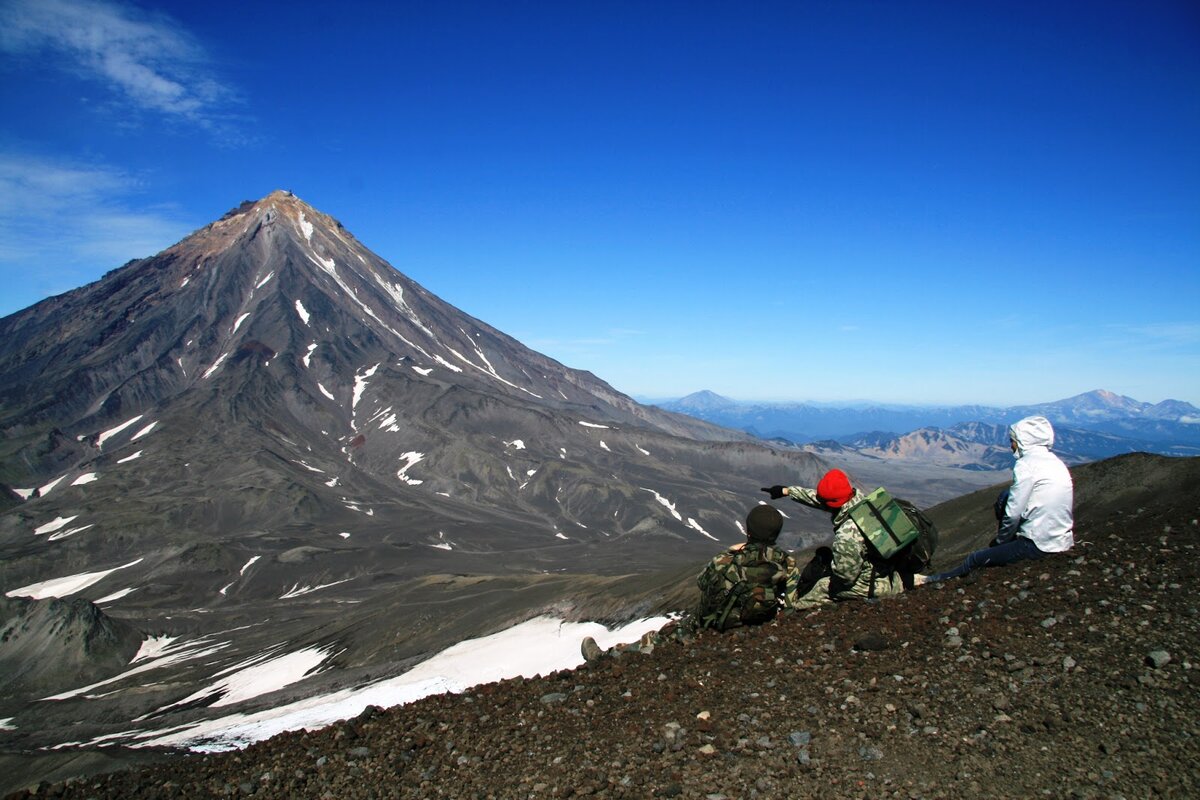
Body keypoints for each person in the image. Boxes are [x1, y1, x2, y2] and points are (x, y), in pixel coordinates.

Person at [581, 504, 800, 662]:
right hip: (760, 624)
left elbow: (702, 582)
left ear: (748, 530)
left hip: (713, 625)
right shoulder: (787, 563)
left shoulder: (726, 559)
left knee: (661, 638)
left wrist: (731, 552)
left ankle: (606, 657)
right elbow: (791, 604)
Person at [915, 415, 1073, 585]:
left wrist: (1000, 542)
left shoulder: (1026, 465)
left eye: (1013, 440)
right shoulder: (1056, 462)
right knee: (1005, 496)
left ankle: (934, 579)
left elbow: (1013, 513)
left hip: (1037, 544)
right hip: (1062, 540)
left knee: (975, 559)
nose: (1011, 445)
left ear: (1024, 441)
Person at [762, 468, 904, 608]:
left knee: (822, 586)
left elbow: (846, 578)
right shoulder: (861, 500)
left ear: (831, 505)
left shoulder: (847, 535)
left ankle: (792, 611)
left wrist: (827, 571)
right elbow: (819, 499)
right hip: (891, 574)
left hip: (875, 586)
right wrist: (786, 491)